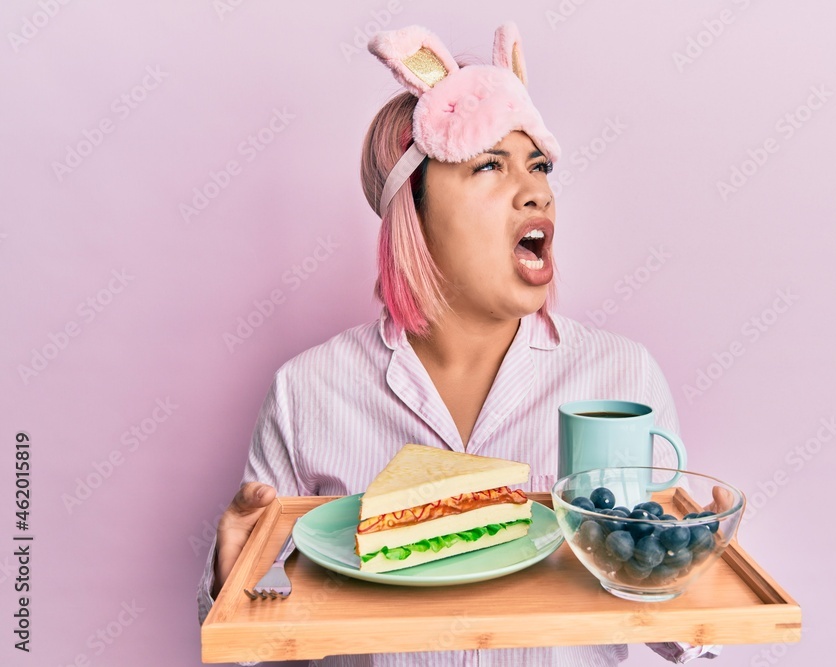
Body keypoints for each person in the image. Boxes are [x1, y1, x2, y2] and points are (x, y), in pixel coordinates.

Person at [197, 22, 721, 666]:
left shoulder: (622, 377)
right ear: (412, 213)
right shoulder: (308, 390)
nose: (537, 191)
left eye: (540, 166)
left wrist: (690, 561)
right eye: (489, 167)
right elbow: (261, 647)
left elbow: (675, 631)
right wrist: (231, 586)